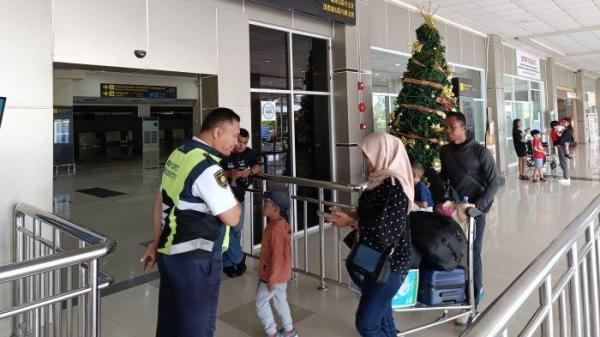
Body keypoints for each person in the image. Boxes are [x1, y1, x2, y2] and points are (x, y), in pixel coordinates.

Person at [140, 107, 242, 337]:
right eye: (234, 135)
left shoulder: (180, 153)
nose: (236, 142)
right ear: (217, 132)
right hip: (196, 262)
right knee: (196, 328)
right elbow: (233, 217)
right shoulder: (207, 167)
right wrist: (234, 199)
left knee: (171, 323)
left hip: (170, 255)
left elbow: (160, 202)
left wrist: (155, 243)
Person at [328, 132, 414, 337]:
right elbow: (373, 214)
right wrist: (350, 215)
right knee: (382, 314)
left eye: (368, 155)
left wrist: (351, 222)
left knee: (367, 324)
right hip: (374, 257)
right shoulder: (380, 181)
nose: (366, 161)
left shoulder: (395, 188)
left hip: (390, 264)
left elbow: (386, 233)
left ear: (383, 153)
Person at [440, 112, 498, 324]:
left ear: (464, 127)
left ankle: (472, 302)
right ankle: (463, 292)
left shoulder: (479, 151)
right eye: (445, 127)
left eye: (452, 127)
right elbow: (445, 178)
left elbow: (494, 182)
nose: (448, 130)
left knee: (473, 254)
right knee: (455, 252)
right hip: (454, 210)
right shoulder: (445, 151)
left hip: (474, 212)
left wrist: (478, 207)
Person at [255, 190, 298, 337]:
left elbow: (279, 256)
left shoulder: (275, 230)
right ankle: (289, 331)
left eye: (266, 203)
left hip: (272, 274)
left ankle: (272, 332)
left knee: (261, 303)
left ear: (275, 208)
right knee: (280, 300)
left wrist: (272, 278)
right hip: (281, 273)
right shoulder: (278, 224)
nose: (263, 205)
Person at [221, 128, 262, 277]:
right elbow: (215, 173)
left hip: (240, 198)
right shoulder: (224, 152)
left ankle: (232, 261)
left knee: (236, 231)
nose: (241, 145)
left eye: (244, 142)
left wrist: (249, 171)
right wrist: (229, 173)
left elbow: (259, 166)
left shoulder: (249, 153)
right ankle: (236, 259)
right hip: (224, 200)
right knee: (226, 231)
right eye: (239, 141)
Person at [556, 118, 574, 185]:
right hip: (562, 147)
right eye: (562, 122)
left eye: (564, 122)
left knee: (563, 162)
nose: (563, 123)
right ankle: (565, 177)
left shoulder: (568, 131)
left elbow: (565, 141)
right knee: (563, 162)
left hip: (562, 147)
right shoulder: (565, 130)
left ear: (568, 123)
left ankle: (566, 178)